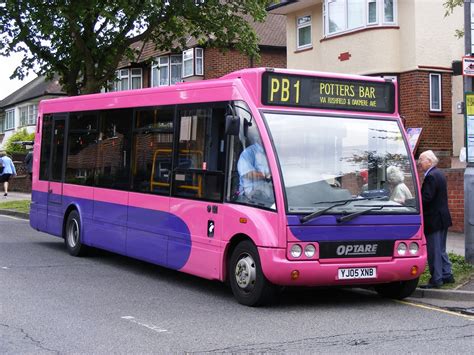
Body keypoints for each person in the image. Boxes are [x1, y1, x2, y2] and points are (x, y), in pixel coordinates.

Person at [418, 150, 454, 289]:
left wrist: (413, 202)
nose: (419, 163)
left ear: (429, 161)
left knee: (434, 250)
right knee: (441, 249)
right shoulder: (439, 173)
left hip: (433, 220)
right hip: (443, 218)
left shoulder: (431, 176)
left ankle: (436, 279)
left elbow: (426, 198)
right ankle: (447, 274)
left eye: (421, 160)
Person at [236, 128, 274, 205]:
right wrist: (266, 176)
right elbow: (248, 174)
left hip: (266, 197)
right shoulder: (248, 152)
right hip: (250, 198)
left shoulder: (271, 153)